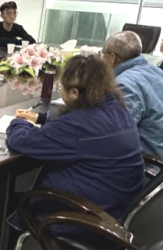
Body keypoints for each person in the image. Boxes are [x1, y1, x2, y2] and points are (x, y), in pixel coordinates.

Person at [8, 55, 144, 222]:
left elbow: (22, 140)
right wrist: (41, 118)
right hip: (116, 207)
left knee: (8, 199)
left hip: (82, 217)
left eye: (61, 87)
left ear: (74, 93)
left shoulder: (76, 125)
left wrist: (19, 122)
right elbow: (80, 125)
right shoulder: (116, 108)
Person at [102, 31, 163, 162]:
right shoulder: (157, 71)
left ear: (112, 58)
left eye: (103, 54)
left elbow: (116, 136)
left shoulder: (124, 84)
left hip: (153, 164)